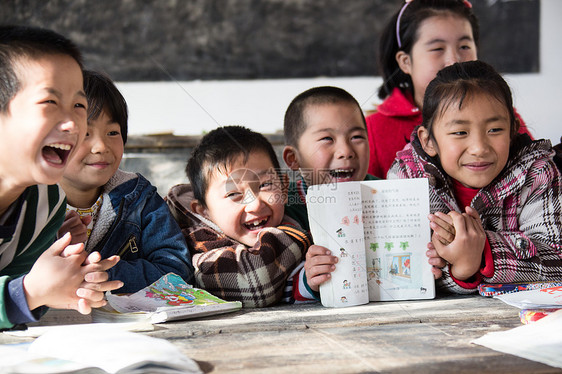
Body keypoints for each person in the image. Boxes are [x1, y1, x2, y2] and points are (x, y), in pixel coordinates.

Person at [388, 60, 562, 293]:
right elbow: (403, 273)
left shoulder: (538, 172)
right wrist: (460, 270)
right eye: (460, 132)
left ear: (513, 130)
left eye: (494, 130)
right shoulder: (408, 177)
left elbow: (556, 260)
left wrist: (482, 254)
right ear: (428, 140)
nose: (479, 148)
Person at [0, 25, 121, 330]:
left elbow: (14, 308)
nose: (72, 124)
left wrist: (62, 285)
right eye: (49, 102)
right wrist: (27, 292)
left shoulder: (48, 201)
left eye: (79, 106)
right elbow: (20, 294)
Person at [58, 70, 194, 293]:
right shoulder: (29, 202)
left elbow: (176, 270)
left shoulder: (139, 198)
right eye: (84, 134)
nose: (101, 146)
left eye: (112, 132)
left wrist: (104, 273)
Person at [366, 0, 533, 179]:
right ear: (406, 62)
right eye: (437, 48)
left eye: (464, 47)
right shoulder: (373, 130)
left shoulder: (500, 117)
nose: (454, 60)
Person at [166, 126, 312, 307]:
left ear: (283, 187)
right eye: (233, 194)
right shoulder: (198, 240)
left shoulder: (293, 217)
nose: (255, 204)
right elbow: (256, 284)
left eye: (265, 185)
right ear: (204, 211)